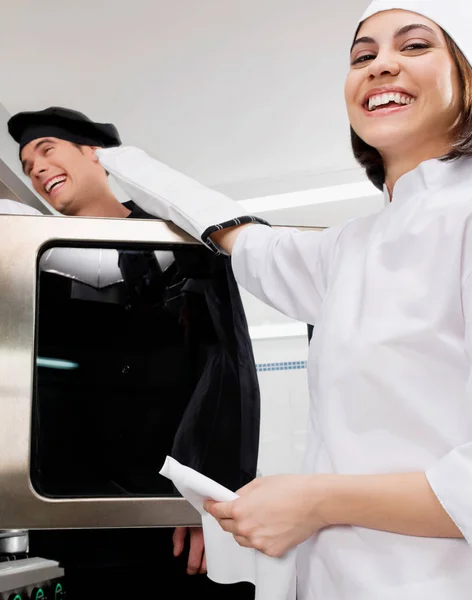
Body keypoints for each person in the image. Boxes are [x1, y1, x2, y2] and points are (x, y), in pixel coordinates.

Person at [93, 1, 472, 598]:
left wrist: (316, 501)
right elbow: (241, 238)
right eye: (363, 56)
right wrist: (114, 160)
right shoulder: (354, 247)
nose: (380, 66)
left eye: (416, 46)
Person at [0, 107, 260, 599]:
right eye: (27, 165)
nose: (36, 168)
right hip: (63, 510)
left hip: (166, 512)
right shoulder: (37, 257)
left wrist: (207, 501)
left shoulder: (181, 240)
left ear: (93, 152)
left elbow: (226, 372)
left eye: (47, 150)